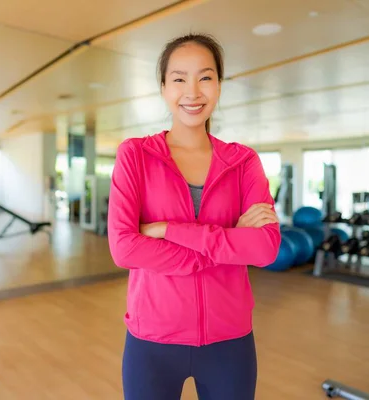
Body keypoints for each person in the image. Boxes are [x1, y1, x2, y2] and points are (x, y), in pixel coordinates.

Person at [107, 33, 281, 400]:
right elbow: (124, 248)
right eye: (179, 78)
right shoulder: (135, 155)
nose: (193, 91)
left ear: (219, 85)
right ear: (163, 87)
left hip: (229, 341)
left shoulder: (243, 161)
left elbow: (265, 249)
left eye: (205, 77)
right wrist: (230, 240)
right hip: (151, 340)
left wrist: (166, 229)